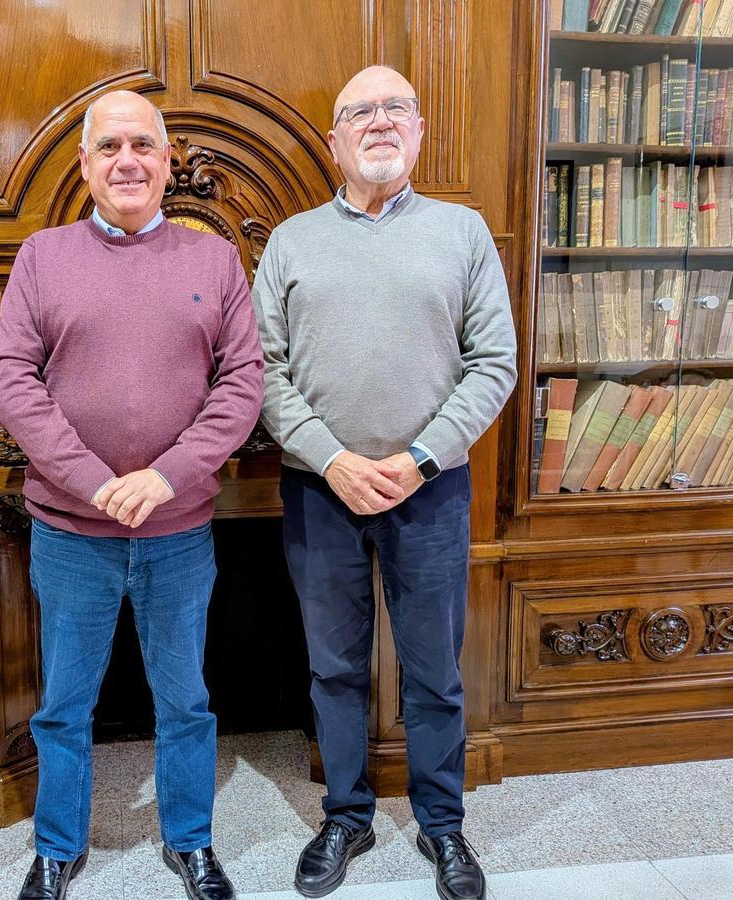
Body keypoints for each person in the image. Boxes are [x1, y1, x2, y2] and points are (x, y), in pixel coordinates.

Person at [0, 89, 264, 900]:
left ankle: (191, 841)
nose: (127, 161)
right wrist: (97, 482)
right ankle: (57, 847)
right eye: (109, 148)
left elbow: (242, 384)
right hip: (72, 531)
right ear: (85, 165)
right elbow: (10, 381)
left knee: (186, 698)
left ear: (168, 159)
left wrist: (166, 475)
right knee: (65, 703)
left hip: (179, 530)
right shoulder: (42, 255)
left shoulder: (213, 258)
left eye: (142, 145)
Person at [251, 67, 517, 900]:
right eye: (358, 112)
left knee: (435, 668)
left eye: (394, 108)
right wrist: (332, 458)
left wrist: (418, 459)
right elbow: (261, 370)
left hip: (430, 492)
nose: (378, 122)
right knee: (333, 667)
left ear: (420, 130)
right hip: (319, 493)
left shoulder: (464, 231)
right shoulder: (291, 241)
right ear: (333, 141)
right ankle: (347, 816)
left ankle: (443, 827)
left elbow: (495, 364)